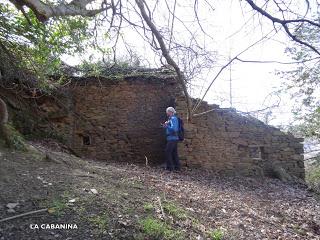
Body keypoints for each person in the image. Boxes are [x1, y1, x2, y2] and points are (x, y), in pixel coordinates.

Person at [161, 107, 180, 171]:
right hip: (173, 138)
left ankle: (170, 168)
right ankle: (177, 168)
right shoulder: (171, 119)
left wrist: (167, 126)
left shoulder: (173, 118)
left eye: (167, 112)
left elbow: (174, 129)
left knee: (167, 152)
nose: (166, 113)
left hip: (172, 138)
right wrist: (166, 126)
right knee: (174, 153)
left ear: (170, 112)